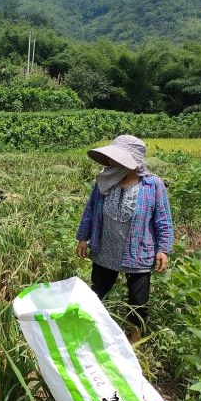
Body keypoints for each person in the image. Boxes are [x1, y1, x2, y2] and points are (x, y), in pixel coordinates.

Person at [76, 134, 173, 344]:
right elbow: (90, 210)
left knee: (138, 302)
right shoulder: (104, 182)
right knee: (97, 293)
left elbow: (163, 219)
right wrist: (83, 237)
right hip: (105, 250)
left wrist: (162, 249)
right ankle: (89, 333)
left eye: (116, 158)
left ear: (132, 162)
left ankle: (134, 342)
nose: (111, 162)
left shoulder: (152, 185)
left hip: (138, 252)